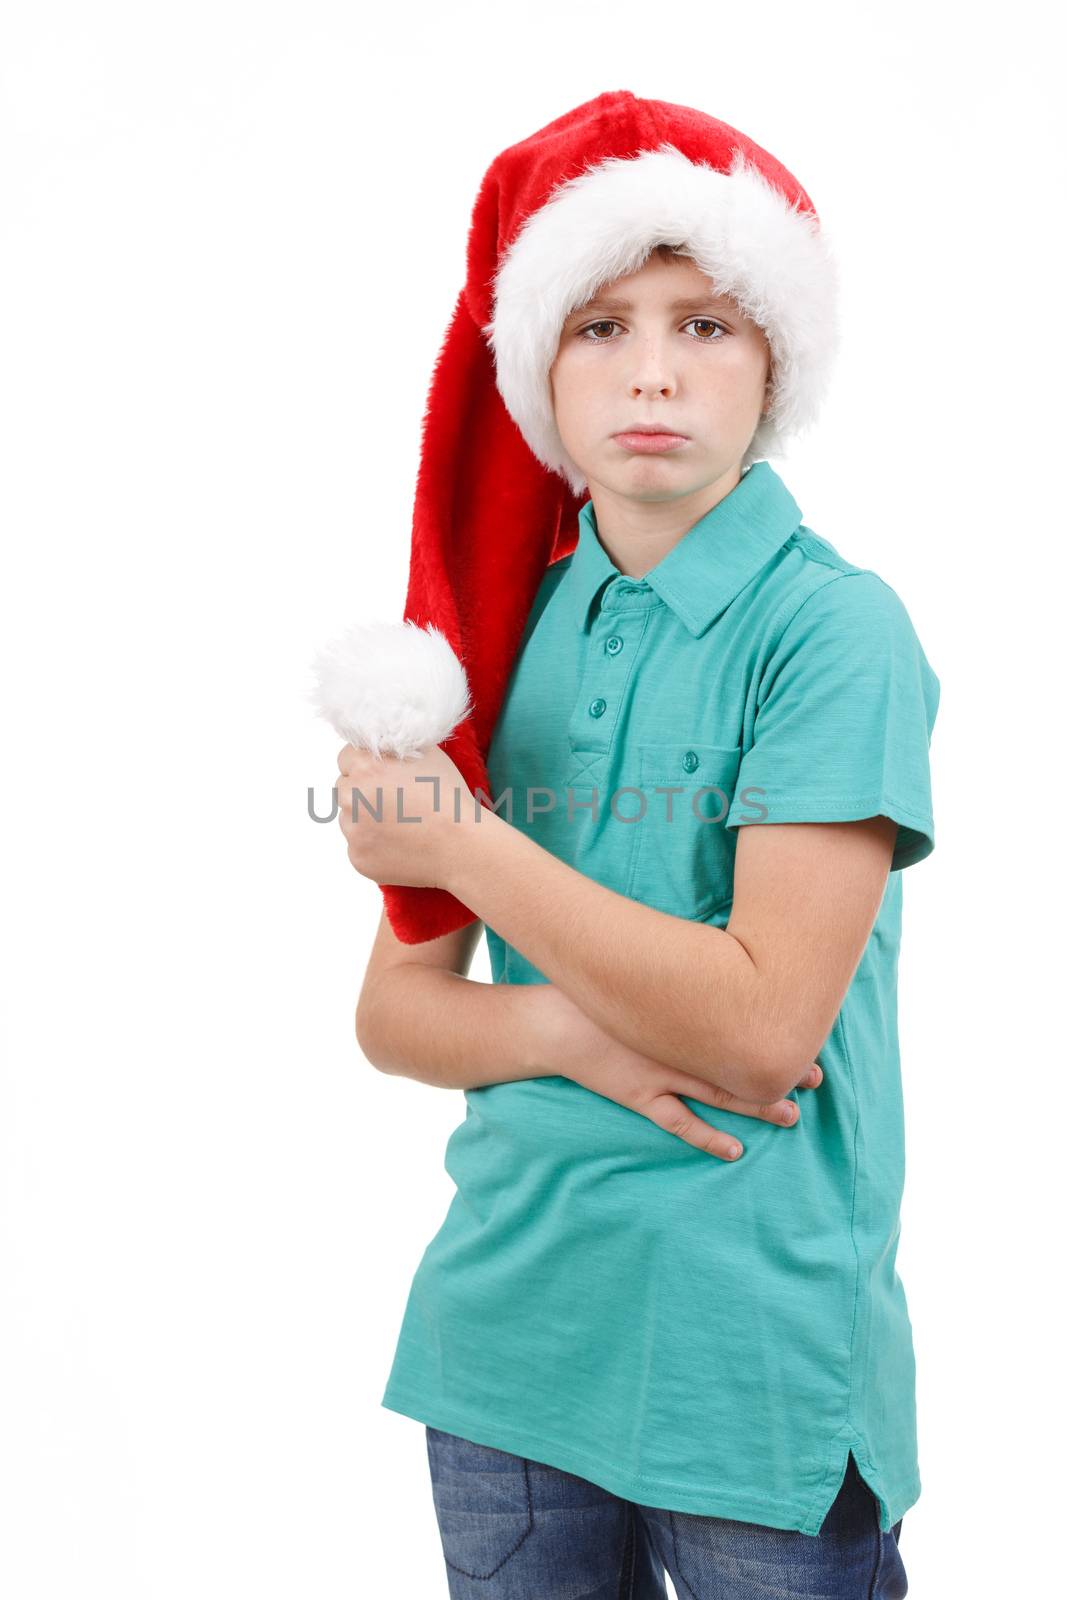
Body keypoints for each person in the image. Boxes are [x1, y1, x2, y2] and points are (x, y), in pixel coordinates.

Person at [335, 92, 934, 1599]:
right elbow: (394, 1015)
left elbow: (758, 1029)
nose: (652, 371)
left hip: (751, 1375)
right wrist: (577, 1039)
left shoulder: (829, 630)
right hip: (505, 1356)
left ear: (777, 357)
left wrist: (459, 842)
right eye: (598, 325)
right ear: (531, 364)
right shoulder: (496, 629)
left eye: (707, 325)